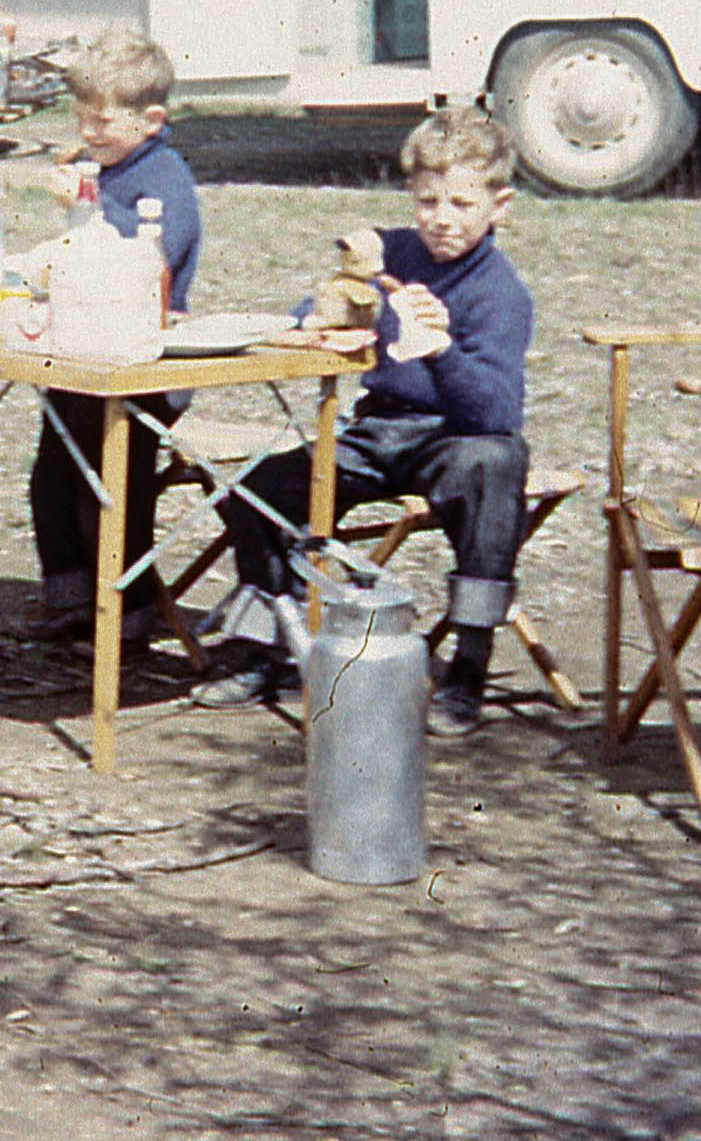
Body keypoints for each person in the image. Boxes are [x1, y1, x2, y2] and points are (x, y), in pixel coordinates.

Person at [197, 105, 532, 732]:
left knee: (495, 465)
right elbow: (329, 299)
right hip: (378, 429)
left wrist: (441, 349)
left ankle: (469, 663)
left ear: (500, 206)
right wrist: (322, 313)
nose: (442, 219)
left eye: (462, 204)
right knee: (260, 488)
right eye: (428, 201)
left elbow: (494, 411)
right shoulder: (396, 254)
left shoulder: (499, 290)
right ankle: (273, 643)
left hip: (453, 436)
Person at [20, 29, 204, 642]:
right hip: (81, 349)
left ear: (151, 120)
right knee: (53, 472)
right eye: (81, 119)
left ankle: (128, 612)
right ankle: (69, 597)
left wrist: (90, 205)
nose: (89, 134)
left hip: (142, 363)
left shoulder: (164, 176)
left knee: (113, 483)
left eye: (102, 122)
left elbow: (153, 256)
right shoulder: (110, 167)